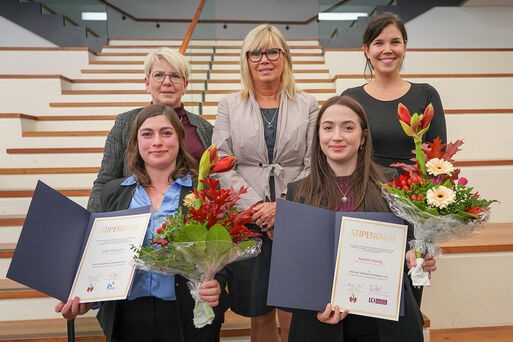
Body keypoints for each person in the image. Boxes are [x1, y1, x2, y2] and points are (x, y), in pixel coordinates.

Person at [55, 104, 228, 342]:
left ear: (179, 139)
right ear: (136, 143)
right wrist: (87, 298)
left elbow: (221, 252)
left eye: (166, 133)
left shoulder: (202, 192)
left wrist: (217, 283)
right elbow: (101, 256)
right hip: (126, 317)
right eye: (147, 134)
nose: (157, 141)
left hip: (186, 315)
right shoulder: (113, 193)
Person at [286, 96, 437, 342]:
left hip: (385, 323)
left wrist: (418, 258)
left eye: (348, 127)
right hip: (321, 324)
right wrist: (313, 305)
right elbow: (294, 270)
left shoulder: (393, 184)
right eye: (328, 127)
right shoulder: (297, 192)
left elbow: (412, 244)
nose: (337, 136)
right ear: (318, 136)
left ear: (363, 136)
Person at [212, 24, 319, 342]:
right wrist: (259, 208)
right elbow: (221, 165)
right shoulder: (228, 105)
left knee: (293, 310)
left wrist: (283, 208)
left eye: (273, 51)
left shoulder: (308, 103)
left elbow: (313, 163)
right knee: (258, 312)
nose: (264, 59)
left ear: (285, 57)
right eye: (255, 52)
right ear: (246, 60)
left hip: (296, 215)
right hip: (248, 219)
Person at [87, 47, 213, 213]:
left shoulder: (205, 129)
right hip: (134, 215)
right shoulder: (125, 123)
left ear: (185, 85)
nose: (167, 82)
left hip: (191, 219)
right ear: (147, 83)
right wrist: (92, 224)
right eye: (159, 75)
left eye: (175, 76)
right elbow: (105, 180)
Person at [342, 12, 447, 169]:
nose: (388, 50)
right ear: (366, 50)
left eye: (395, 42)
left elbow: (438, 158)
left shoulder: (426, 95)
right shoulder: (350, 99)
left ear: (405, 47)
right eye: (379, 43)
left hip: (415, 190)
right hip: (365, 190)